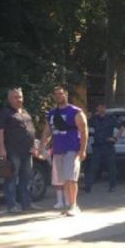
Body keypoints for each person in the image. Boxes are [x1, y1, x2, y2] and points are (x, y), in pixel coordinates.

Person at [44, 86, 88, 216]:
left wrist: (82, 150)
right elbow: (47, 131)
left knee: (71, 179)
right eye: (56, 94)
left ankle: (73, 205)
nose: (58, 96)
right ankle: (70, 205)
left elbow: (84, 131)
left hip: (72, 149)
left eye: (61, 94)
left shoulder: (75, 111)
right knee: (63, 180)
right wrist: (42, 147)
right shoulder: (52, 113)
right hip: (58, 150)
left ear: (66, 95)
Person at [0, 88, 37, 213]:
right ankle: (12, 205)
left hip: (27, 151)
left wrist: (34, 146)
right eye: (15, 97)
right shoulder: (4, 113)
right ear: (9, 99)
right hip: (13, 151)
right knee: (11, 178)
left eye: (20, 97)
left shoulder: (25, 112)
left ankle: (26, 203)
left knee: (27, 178)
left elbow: (31, 130)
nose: (18, 99)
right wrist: (2, 149)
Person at [84, 102, 125, 193]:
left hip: (108, 145)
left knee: (111, 167)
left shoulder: (110, 118)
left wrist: (115, 138)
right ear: (97, 108)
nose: (101, 109)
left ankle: (112, 186)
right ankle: (88, 186)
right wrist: (87, 117)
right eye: (99, 107)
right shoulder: (94, 119)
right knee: (93, 167)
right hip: (97, 145)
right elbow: (85, 126)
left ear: (105, 108)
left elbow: (121, 127)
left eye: (103, 107)